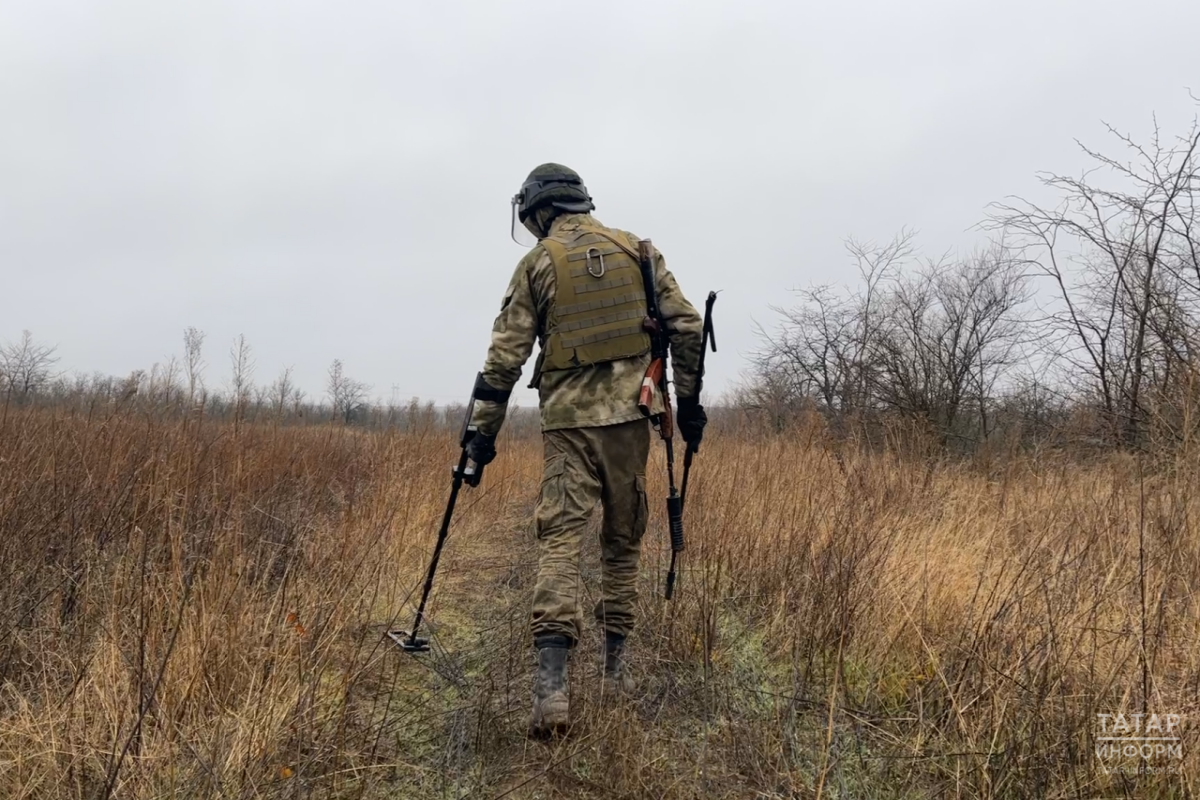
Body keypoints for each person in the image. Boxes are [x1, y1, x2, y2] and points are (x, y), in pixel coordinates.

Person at [464, 163, 707, 736]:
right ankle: (615, 675)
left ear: (540, 212)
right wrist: (689, 405)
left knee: (560, 543)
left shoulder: (538, 263)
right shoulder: (639, 252)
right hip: (630, 421)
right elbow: (688, 328)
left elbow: (504, 360)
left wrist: (480, 437)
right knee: (622, 542)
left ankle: (551, 691)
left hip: (568, 426)